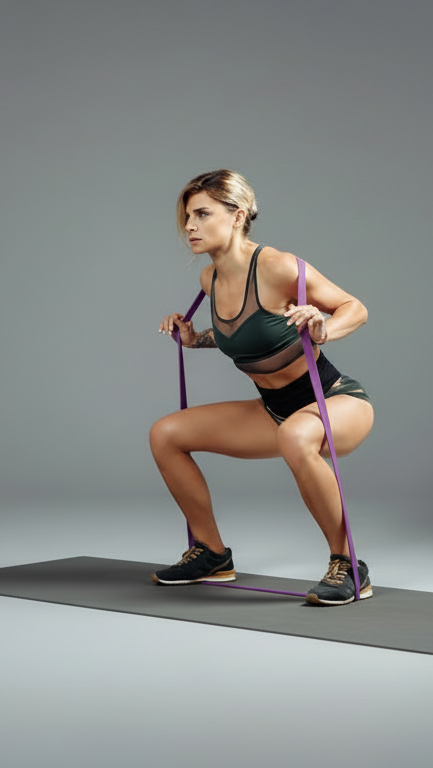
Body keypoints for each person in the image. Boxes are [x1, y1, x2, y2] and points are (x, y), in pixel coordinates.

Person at [151, 170, 376, 605]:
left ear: (237, 216)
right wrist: (194, 339)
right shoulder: (210, 279)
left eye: (202, 214)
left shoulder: (278, 266)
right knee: (165, 434)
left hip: (334, 400)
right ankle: (212, 554)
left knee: (295, 435)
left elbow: (356, 308)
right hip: (273, 410)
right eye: (187, 217)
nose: (190, 226)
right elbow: (247, 336)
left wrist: (325, 328)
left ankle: (348, 565)